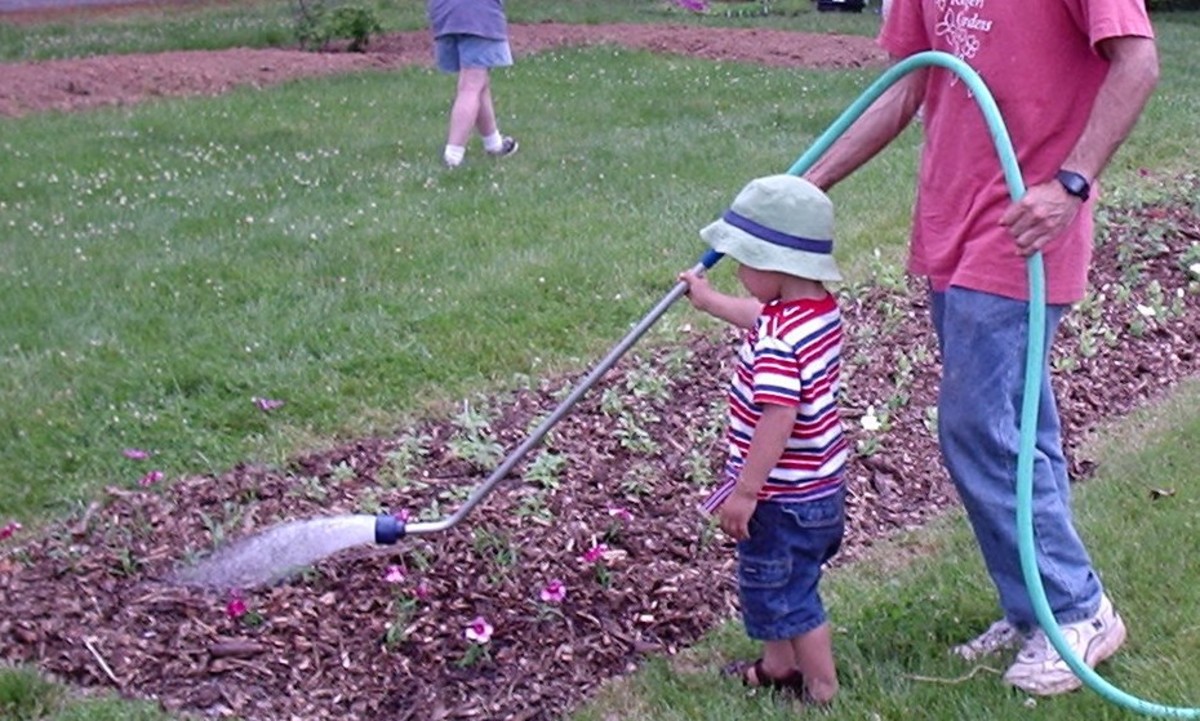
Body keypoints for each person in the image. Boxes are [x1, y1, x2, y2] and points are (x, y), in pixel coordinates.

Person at [802, 0, 1159, 696]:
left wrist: (1072, 185)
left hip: (1025, 231)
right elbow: (907, 86)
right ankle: (1037, 609)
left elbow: (1138, 62)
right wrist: (808, 181)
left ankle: (1075, 608)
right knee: (1018, 430)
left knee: (980, 427)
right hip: (953, 223)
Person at [679, 174, 849, 705]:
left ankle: (820, 687)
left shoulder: (778, 341)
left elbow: (779, 415)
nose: (739, 272)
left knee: (790, 594)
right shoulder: (817, 311)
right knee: (777, 586)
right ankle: (778, 668)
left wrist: (747, 490)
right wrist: (709, 301)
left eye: (744, 263)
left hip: (780, 497)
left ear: (777, 266)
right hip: (820, 488)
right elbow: (758, 313)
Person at [426, 0, 519, 168]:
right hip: (479, 15)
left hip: (445, 14)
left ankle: (494, 144)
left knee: (478, 81)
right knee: (470, 86)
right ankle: (453, 155)